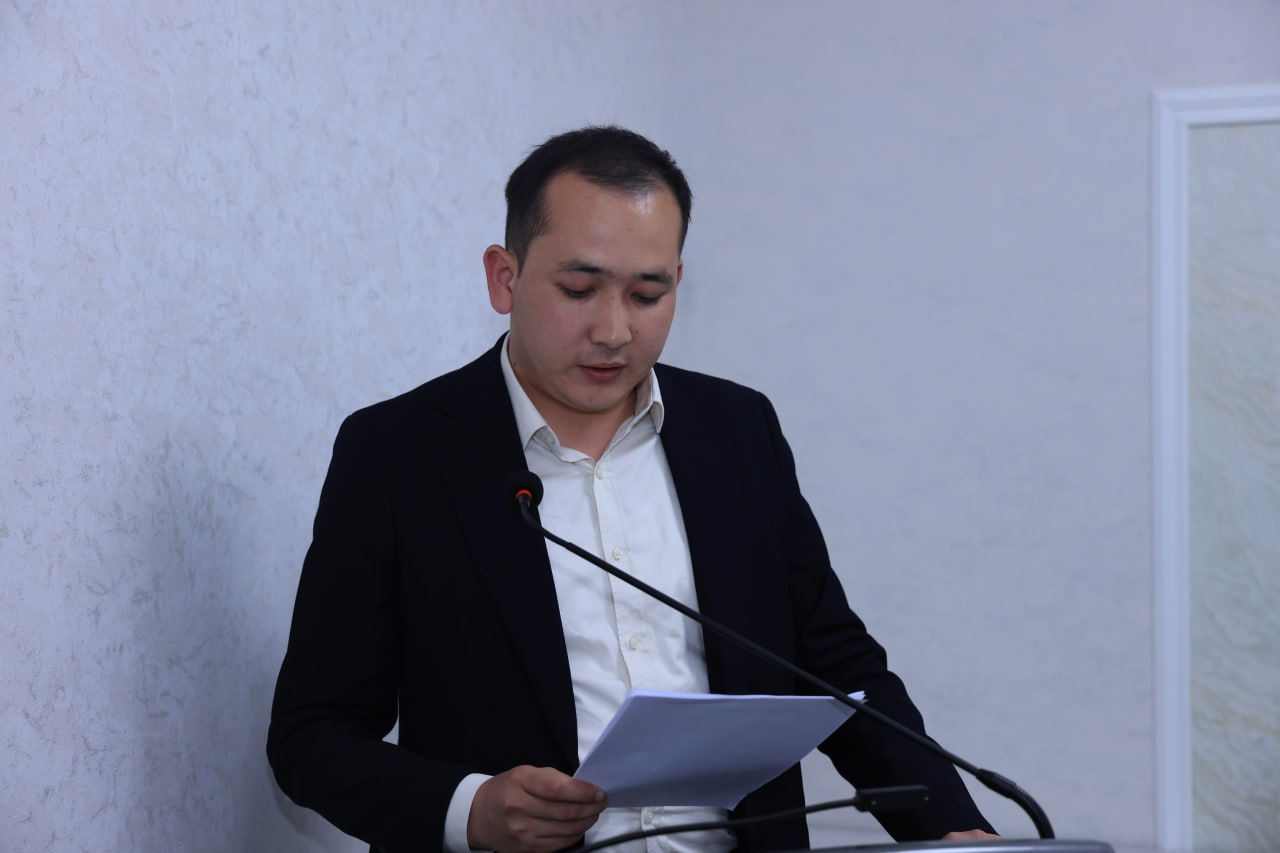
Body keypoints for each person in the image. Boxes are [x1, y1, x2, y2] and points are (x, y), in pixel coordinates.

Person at [267, 126, 997, 852]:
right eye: (578, 290)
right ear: (504, 277)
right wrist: (471, 809)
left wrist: (948, 827)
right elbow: (312, 735)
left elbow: (835, 663)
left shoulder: (737, 431)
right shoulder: (398, 452)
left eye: (648, 294)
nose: (614, 330)